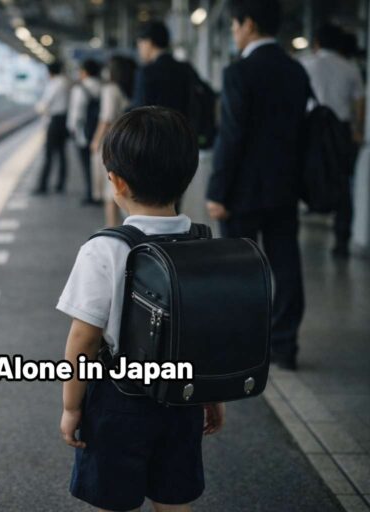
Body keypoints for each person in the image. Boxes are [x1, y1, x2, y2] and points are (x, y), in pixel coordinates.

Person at [59, 107, 225, 512]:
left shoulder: (105, 248)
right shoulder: (201, 241)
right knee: (173, 498)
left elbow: (84, 338)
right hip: (181, 398)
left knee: (113, 500)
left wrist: (71, 406)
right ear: (185, 177)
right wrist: (211, 393)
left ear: (116, 181)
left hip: (119, 402)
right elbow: (204, 330)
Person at [206, 0, 310, 371]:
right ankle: (285, 345)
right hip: (285, 187)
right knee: (286, 265)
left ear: (247, 24)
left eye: (234, 27)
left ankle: (243, 348)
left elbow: (231, 137)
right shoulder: (296, 71)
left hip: (242, 193)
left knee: (238, 271)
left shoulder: (239, 72)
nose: (234, 34)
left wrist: (217, 191)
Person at [301, 23, 365, 258]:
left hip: (310, 128)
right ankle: (341, 238)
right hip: (340, 130)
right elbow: (359, 104)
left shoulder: (306, 64)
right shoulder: (351, 68)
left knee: (304, 172)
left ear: (317, 42)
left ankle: (309, 207)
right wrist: (357, 131)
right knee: (342, 181)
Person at [91, 56, 137, 227]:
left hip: (110, 142)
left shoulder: (110, 88)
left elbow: (106, 118)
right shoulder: (131, 89)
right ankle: (130, 228)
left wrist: (95, 141)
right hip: (128, 140)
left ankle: (112, 229)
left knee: (110, 191)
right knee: (125, 188)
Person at [130, 21, 196, 117]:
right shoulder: (185, 68)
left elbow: (140, 113)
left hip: (154, 130)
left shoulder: (146, 73)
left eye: (140, 44)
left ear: (148, 42)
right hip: (181, 128)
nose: (139, 50)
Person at [67, 59, 103, 205]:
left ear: (85, 72)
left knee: (86, 164)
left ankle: (91, 194)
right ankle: (100, 193)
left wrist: (72, 129)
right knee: (100, 163)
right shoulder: (103, 86)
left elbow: (77, 113)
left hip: (84, 132)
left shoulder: (80, 88)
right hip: (100, 130)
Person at [34, 61, 70, 195]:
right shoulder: (66, 82)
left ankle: (43, 185)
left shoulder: (55, 83)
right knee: (61, 153)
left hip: (55, 121)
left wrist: (39, 108)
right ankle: (60, 184)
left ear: (49, 72)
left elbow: (45, 104)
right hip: (63, 120)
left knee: (49, 154)